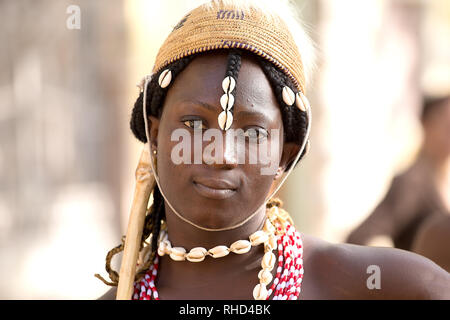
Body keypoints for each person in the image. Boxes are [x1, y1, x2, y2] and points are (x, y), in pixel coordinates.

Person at [97, 0, 450, 300]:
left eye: (251, 132)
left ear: (285, 155)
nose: (222, 154)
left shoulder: (382, 286)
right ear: (155, 136)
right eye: (193, 125)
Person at [346, 95, 450, 251]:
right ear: (427, 125)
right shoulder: (413, 181)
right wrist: (389, 269)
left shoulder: (439, 178)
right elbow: (361, 237)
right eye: (447, 126)